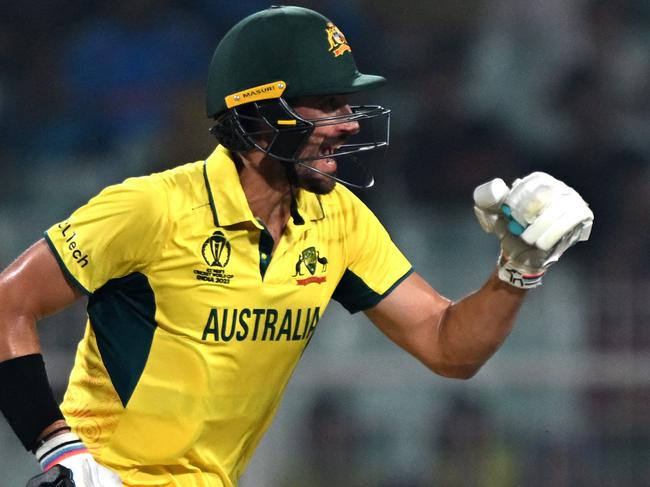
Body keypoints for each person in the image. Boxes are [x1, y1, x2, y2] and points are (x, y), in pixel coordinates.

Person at [0, 6, 594, 487]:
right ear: (260, 111)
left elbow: (448, 348)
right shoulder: (153, 207)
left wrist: (517, 269)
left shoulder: (340, 219)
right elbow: (9, 304)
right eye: (328, 103)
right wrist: (60, 451)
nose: (350, 121)